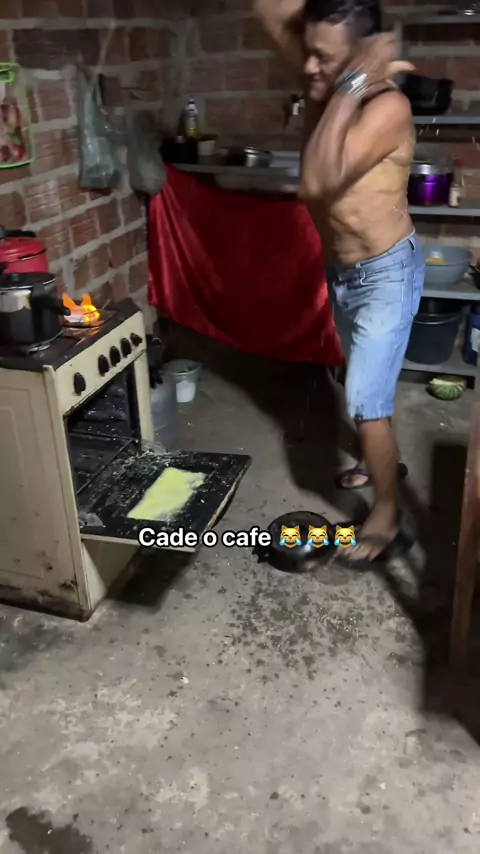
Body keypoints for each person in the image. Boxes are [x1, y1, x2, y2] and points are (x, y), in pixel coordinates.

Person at [254, 0, 425, 562]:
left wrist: (352, 79)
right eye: (309, 54)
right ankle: (375, 461)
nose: (308, 67)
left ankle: (387, 512)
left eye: (323, 59)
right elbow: (270, 10)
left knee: (365, 401)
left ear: (358, 59)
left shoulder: (386, 106)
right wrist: (335, 72)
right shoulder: (329, 85)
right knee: (362, 383)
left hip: (385, 274)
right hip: (344, 272)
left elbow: (316, 181)